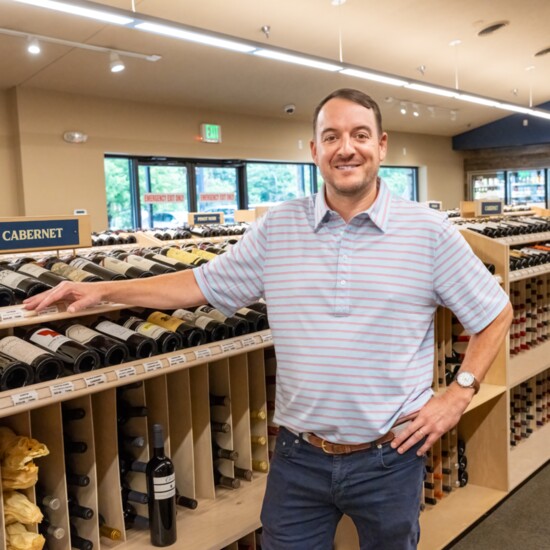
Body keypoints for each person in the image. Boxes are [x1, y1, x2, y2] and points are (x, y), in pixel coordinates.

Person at [24, 88, 512, 550]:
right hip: (299, 457)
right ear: (314, 150)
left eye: (360, 135)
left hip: (391, 456)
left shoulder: (427, 232)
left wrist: (458, 393)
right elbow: (198, 284)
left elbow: (494, 313)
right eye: (332, 137)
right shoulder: (279, 227)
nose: (347, 148)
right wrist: (101, 288)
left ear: (381, 145)